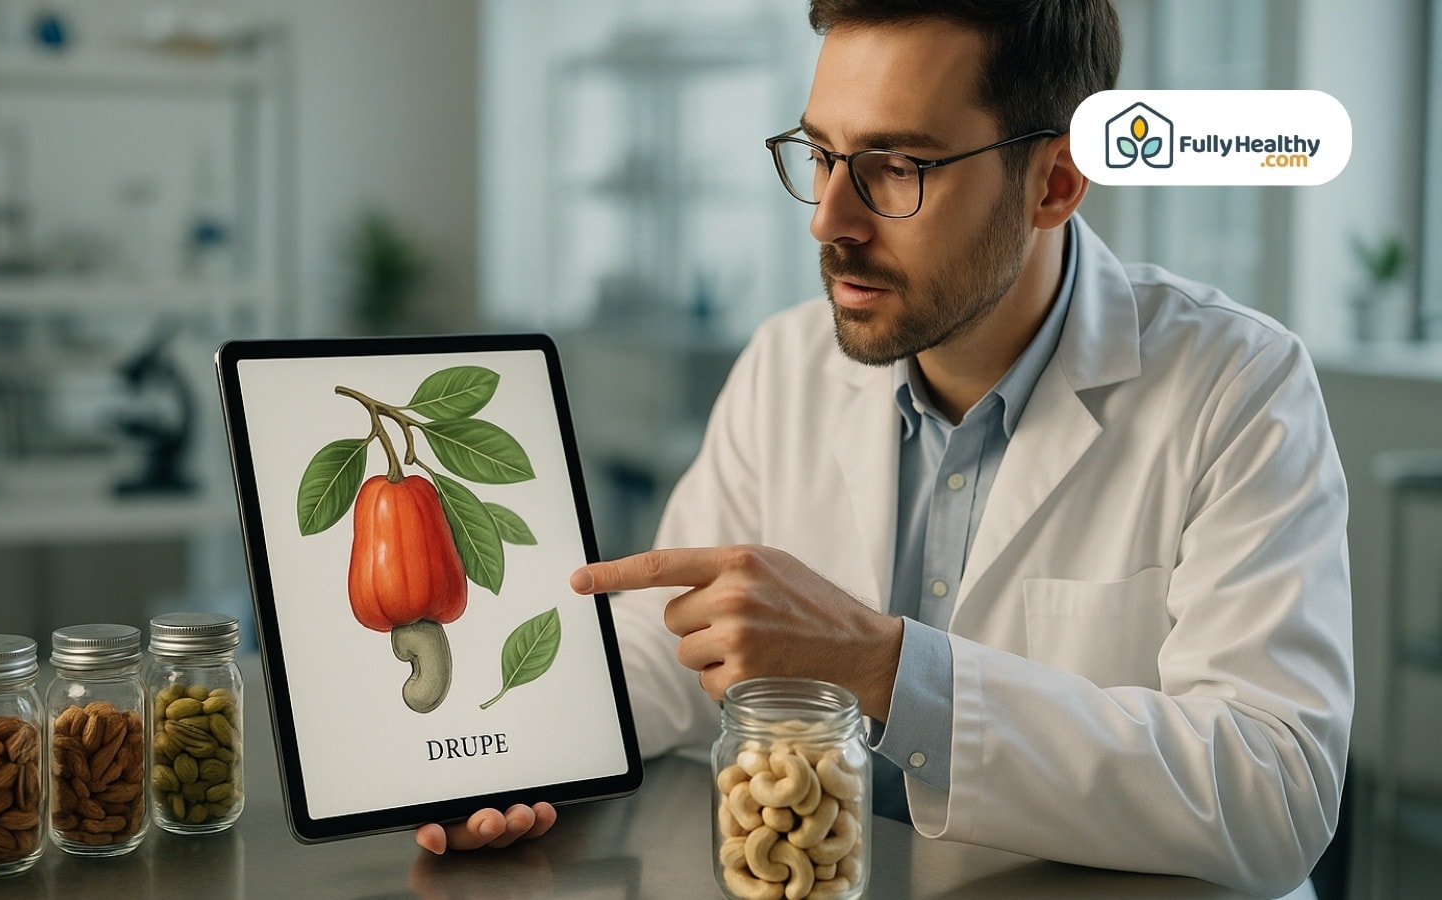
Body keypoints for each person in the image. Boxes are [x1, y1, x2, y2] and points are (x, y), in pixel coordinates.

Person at [423, 2, 1353, 896]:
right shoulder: (786, 363)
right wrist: (521, 758)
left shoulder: (1240, 385)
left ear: (1055, 182)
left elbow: (1278, 793)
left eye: (897, 165)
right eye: (822, 155)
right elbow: (666, 647)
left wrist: (887, 667)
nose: (830, 220)